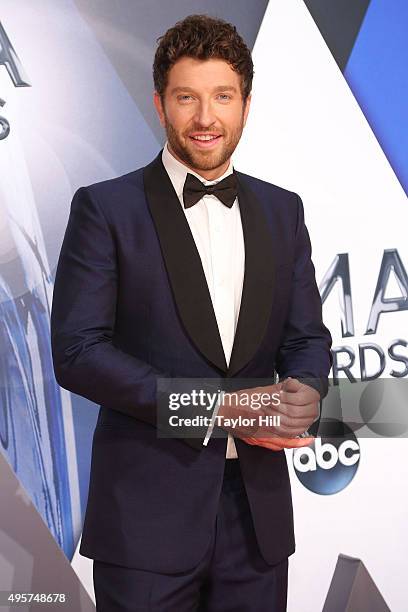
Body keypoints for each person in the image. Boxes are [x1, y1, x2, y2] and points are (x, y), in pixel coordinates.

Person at [51, 13, 332, 612]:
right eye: (187, 98)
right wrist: (218, 406)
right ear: (160, 104)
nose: (206, 118)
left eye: (222, 97)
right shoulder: (106, 209)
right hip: (145, 522)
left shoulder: (284, 212)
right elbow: (78, 353)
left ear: (246, 106)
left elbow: (307, 338)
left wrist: (307, 388)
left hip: (256, 524)